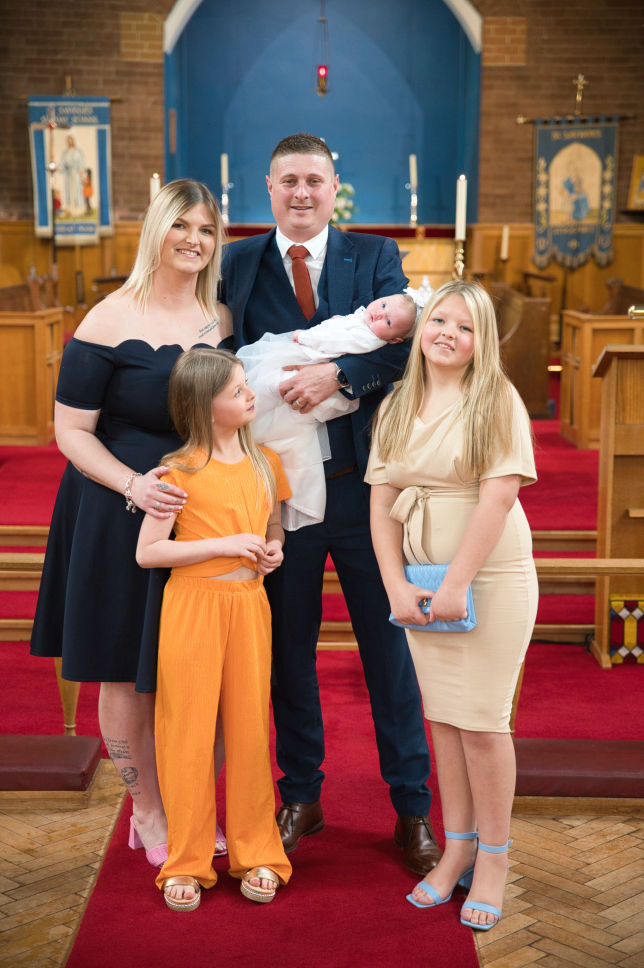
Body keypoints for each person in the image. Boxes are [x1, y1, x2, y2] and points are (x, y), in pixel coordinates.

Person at [220, 132, 438, 875]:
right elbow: (215, 359)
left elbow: (407, 346)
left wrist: (341, 377)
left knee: (390, 654)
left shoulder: (374, 255)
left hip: (364, 493)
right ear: (269, 186)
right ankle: (301, 796)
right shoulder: (236, 261)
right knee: (288, 654)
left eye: (315, 179)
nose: (302, 192)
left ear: (334, 184)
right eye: (289, 181)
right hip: (278, 502)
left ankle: (412, 808)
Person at [30, 178, 231, 867]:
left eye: (205, 231)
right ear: (157, 230)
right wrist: (133, 486)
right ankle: (146, 812)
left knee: (192, 666)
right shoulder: (109, 320)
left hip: (200, 510)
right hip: (118, 507)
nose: (193, 241)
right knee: (123, 669)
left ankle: (192, 804)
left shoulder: (222, 319)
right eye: (182, 227)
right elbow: (70, 432)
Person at [367, 280, 538, 930]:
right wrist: (396, 586)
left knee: (484, 724)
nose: (447, 333)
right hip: (418, 579)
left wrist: (457, 584)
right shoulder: (396, 403)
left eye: (465, 327)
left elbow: (496, 499)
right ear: (421, 326)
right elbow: (380, 504)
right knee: (443, 720)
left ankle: (492, 858)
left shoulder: (496, 400)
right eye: (439, 319)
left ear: (481, 340)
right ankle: (457, 844)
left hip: (486, 579)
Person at [136, 348, 292, 911]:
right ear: (204, 406)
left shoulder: (264, 462)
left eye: (246, 384)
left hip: (249, 606)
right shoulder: (176, 472)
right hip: (192, 609)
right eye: (236, 390)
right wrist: (226, 544)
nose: (250, 394)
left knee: (251, 730)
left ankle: (258, 852)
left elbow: (273, 525)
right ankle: (187, 859)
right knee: (187, 733)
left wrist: (272, 549)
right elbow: (149, 552)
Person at [238, 291, 423, 530]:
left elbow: (334, 342)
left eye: (387, 321)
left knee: (272, 392)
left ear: (395, 340)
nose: (380, 314)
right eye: (384, 304)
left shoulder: (368, 338)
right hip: (311, 364)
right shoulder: (363, 320)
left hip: (316, 364)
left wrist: (305, 337)